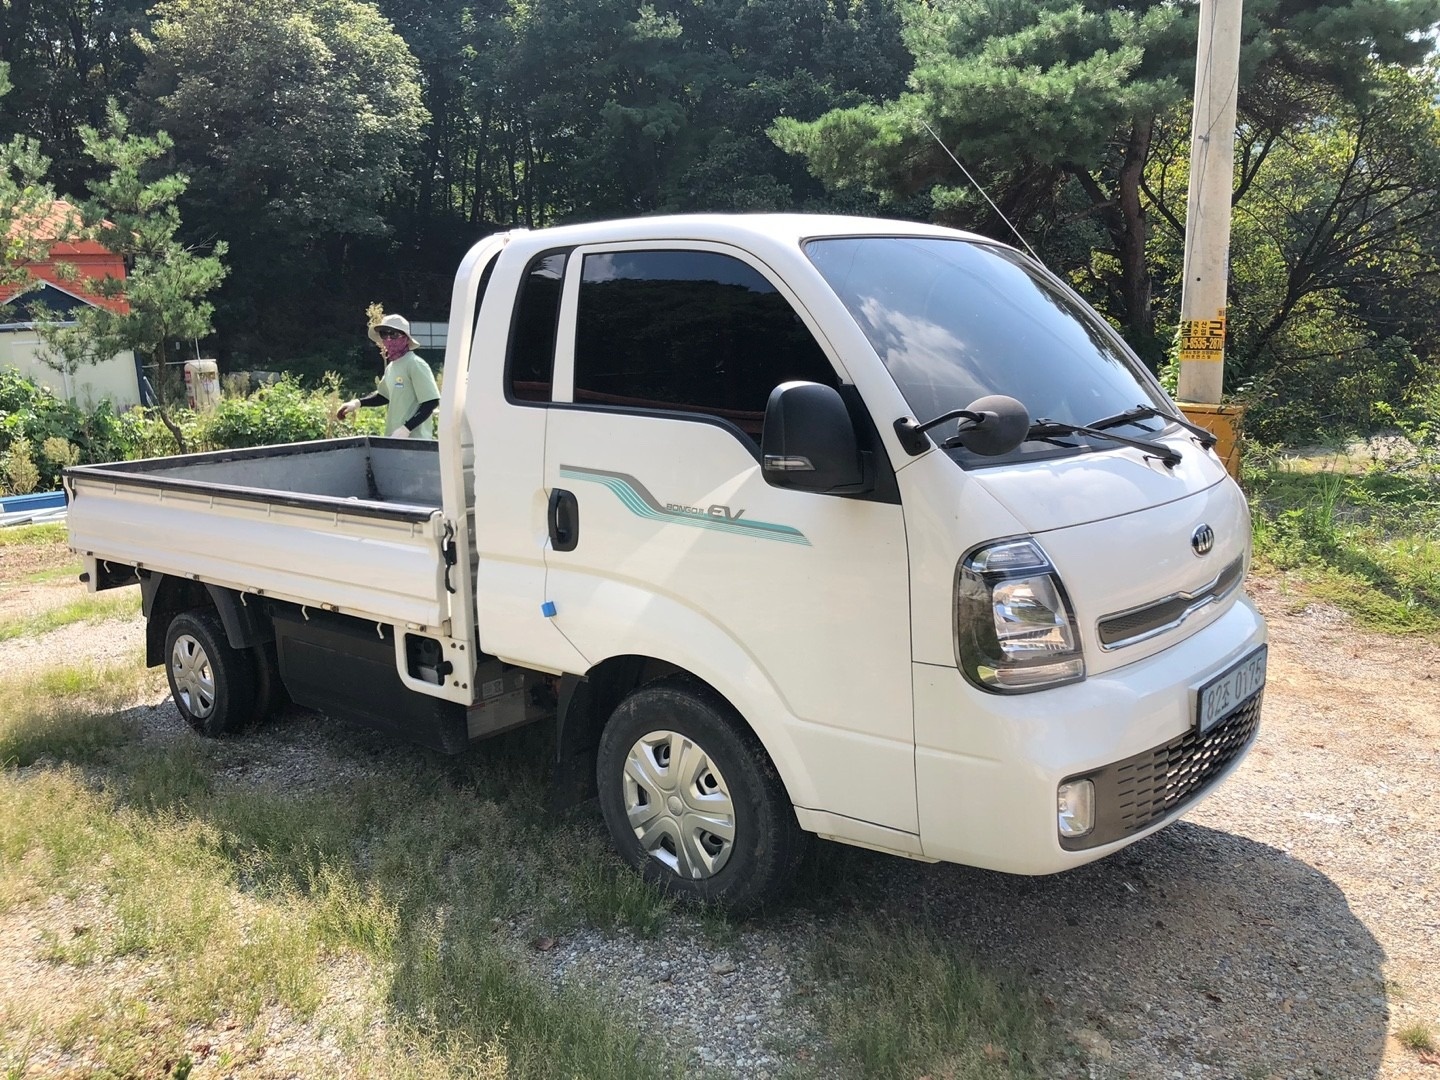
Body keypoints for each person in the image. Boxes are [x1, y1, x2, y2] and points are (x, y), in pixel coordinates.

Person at [335, 314, 440, 438]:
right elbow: (383, 396)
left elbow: (431, 401)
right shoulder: (391, 367)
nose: (389, 339)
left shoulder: (415, 364)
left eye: (394, 334)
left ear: (405, 338)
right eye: (384, 334)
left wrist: (406, 429)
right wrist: (357, 403)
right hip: (394, 438)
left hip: (416, 442)